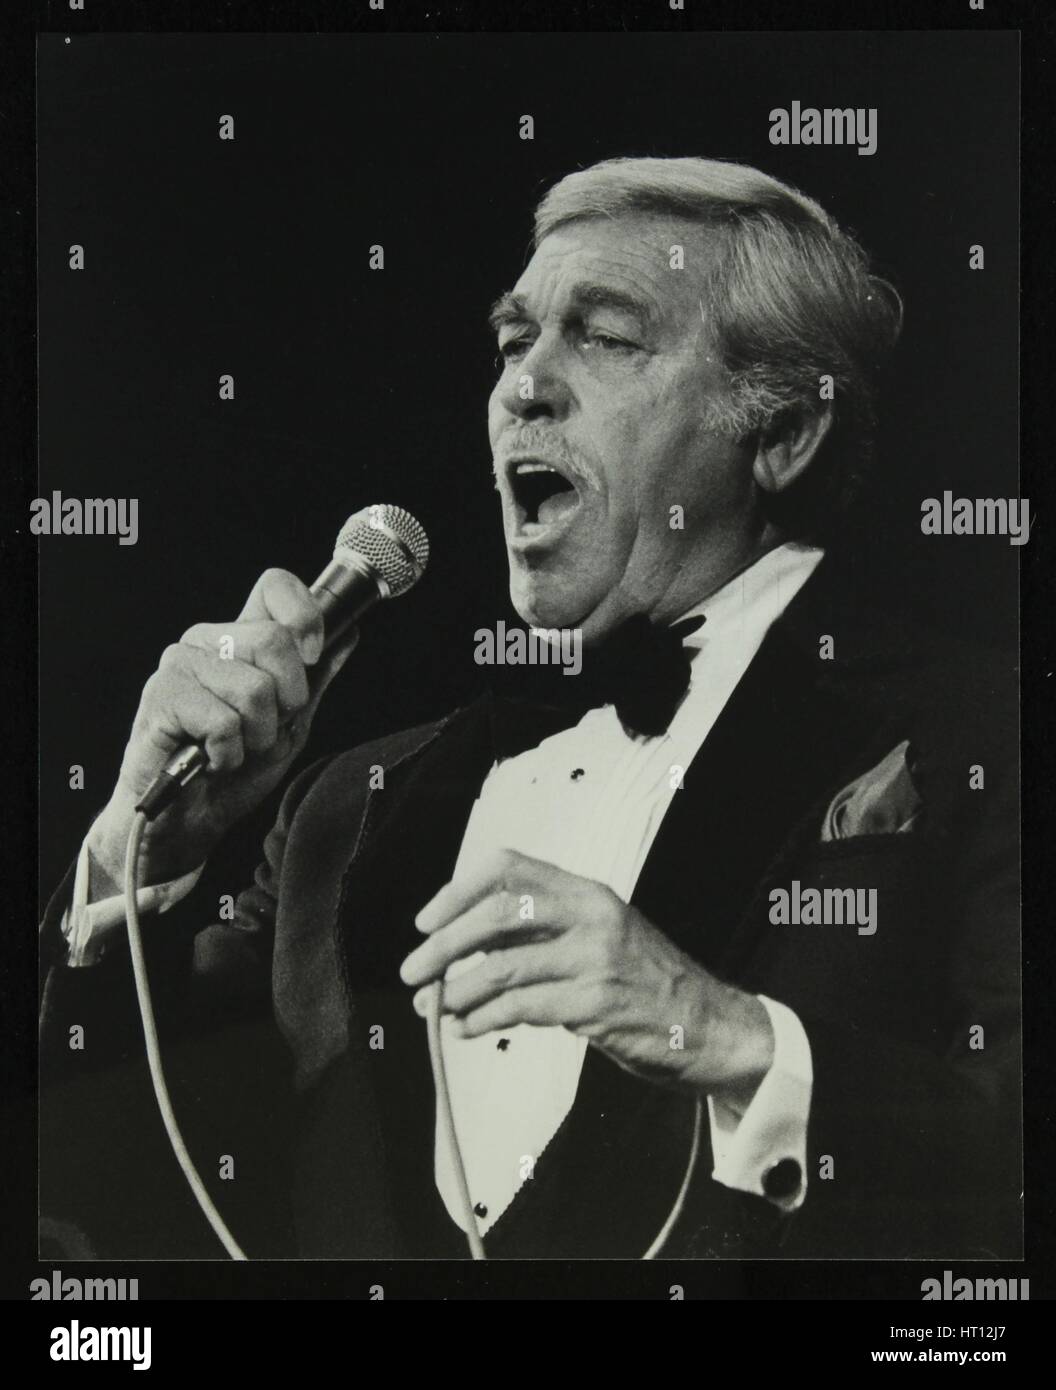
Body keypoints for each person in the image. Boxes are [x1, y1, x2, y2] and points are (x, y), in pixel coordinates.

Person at [39, 156, 1020, 1260]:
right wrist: (140, 845)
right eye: (514, 342)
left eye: (605, 338)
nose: (522, 388)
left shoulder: (982, 732)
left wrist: (736, 1038)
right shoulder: (347, 806)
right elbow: (102, 1181)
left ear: (782, 432)